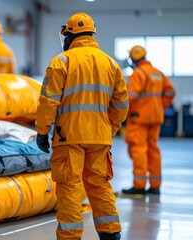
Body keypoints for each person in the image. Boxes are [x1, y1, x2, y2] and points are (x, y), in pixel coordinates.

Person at [35, 12, 128, 240]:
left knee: (69, 188)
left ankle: (70, 237)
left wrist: (41, 131)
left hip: (69, 138)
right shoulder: (111, 64)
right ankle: (111, 234)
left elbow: (48, 101)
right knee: (100, 186)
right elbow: (122, 105)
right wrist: (109, 129)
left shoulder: (62, 62)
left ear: (69, 36)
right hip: (99, 138)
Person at [122, 46, 175, 195]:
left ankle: (139, 185)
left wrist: (121, 114)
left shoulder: (137, 74)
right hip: (155, 118)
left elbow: (128, 98)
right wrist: (159, 106)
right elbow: (170, 92)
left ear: (133, 59)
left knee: (139, 150)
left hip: (138, 119)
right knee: (153, 150)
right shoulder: (158, 74)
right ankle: (155, 186)